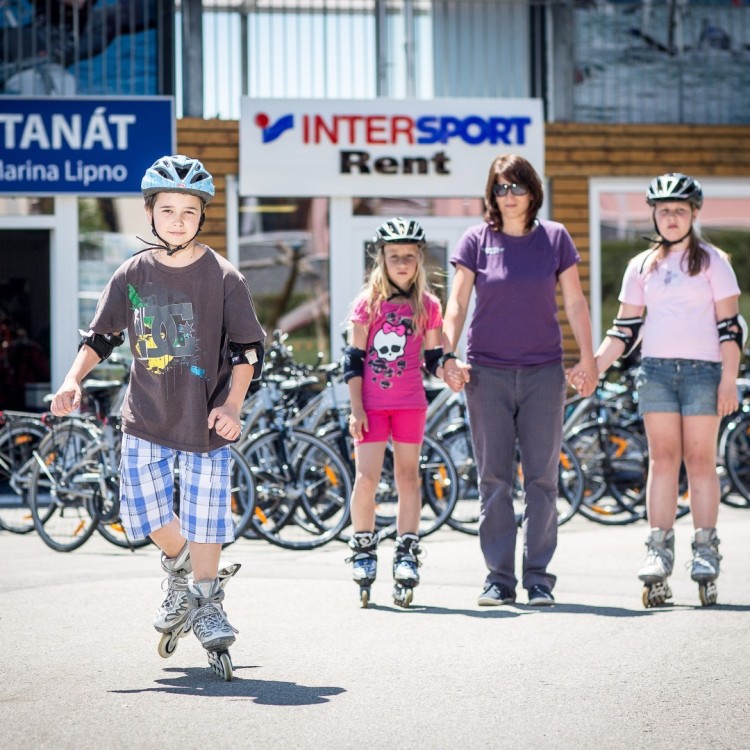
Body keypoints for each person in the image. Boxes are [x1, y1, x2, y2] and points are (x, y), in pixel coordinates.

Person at [50, 154, 265, 679]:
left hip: (205, 422)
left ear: (201, 217)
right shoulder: (133, 273)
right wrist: (72, 378)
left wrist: (232, 403)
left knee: (207, 514)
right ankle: (180, 569)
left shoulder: (223, 277)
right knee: (143, 514)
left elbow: (246, 351)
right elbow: (102, 336)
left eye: (189, 212)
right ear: (150, 214)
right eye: (167, 209)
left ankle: (208, 601)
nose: (177, 220)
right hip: (145, 417)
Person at [441, 153, 598, 607]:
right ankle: (499, 579)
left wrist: (587, 359)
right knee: (494, 479)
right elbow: (456, 304)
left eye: (517, 187)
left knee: (543, 479)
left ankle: (539, 578)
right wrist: (448, 356)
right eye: (500, 188)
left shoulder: (555, 239)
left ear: (533, 191)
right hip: (485, 374)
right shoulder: (475, 240)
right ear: (491, 195)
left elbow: (575, 303)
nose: (508, 196)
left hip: (543, 374)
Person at [591, 172, 742, 608]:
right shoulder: (642, 265)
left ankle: (705, 551)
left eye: (679, 210)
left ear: (694, 214)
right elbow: (625, 327)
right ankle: (658, 551)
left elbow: (729, 327)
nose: (671, 217)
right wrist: (594, 367)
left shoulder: (713, 261)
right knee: (662, 460)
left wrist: (729, 378)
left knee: (699, 460)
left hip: (704, 372)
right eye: (663, 210)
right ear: (654, 215)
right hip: (654, 371)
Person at [344, 217, 446, 608]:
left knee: (408, 478)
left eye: (408, 256)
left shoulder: (429, 305)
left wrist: (449, 369)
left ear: (419, 258)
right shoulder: (366, 304)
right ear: (381, 259)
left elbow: (435, 358)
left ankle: (406, 551)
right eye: (393, 256)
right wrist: (356, 408)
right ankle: (364, 548)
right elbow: (353, 361)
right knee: (366, 479)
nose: (401, 263)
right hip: (371, 406)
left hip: (409, 404)